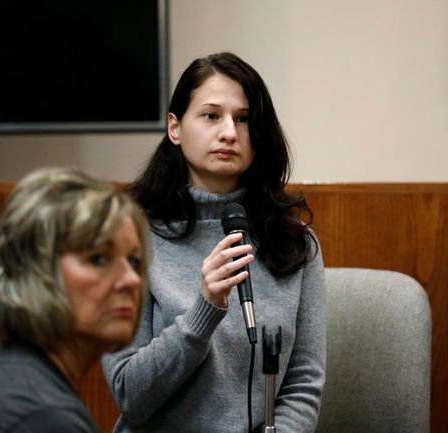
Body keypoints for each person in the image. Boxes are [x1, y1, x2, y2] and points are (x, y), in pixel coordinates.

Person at [102, 52, 326, 433]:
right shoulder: (129, 239)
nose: (229, 133)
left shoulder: (295, 244)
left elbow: (302, 386)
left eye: (243, 119)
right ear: (175, 128)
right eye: (211, 115)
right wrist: (203, 310)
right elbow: (129, 395)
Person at [0, 167, 151, 433]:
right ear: (33, 269)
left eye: (133, 261)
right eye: (98, 258)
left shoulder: (13, 374)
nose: (132, 280)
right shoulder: (40, 414)